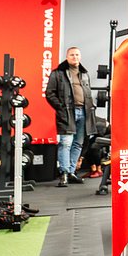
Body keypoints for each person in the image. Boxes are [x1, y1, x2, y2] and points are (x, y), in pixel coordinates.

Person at [45, 46, 97, 187]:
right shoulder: (58, 73)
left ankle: (72, 172)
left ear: (80, 57)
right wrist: (61, 107)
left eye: (77, 55)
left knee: (78, 143)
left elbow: (87, 93)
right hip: (67, 112)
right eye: (72, 55)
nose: (75, 57)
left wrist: (91, 107)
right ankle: (64, 173)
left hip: (84, 112)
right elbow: (50, 93)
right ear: (67, 57)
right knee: (65, 143)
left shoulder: (84, 73)